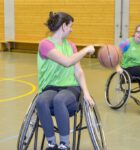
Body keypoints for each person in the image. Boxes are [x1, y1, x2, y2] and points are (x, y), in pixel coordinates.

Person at [36, 11, 95, 150]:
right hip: (50, 87)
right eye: (70, 26)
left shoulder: (71, 46)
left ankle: (64, 144)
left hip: (70, 88)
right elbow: (66, 62)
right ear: (63, 26)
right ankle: (51, 143)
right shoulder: (45, 45)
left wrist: (86, 93)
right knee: (41, 101)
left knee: (59, 100)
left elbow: (78, 71)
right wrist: (85, 50)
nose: (71, 29)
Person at [116, 24, 140, 110]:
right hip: (127, 70)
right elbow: (115, 53)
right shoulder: (127, 42)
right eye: (138, 32)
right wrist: (117, 67)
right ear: (135, 32)